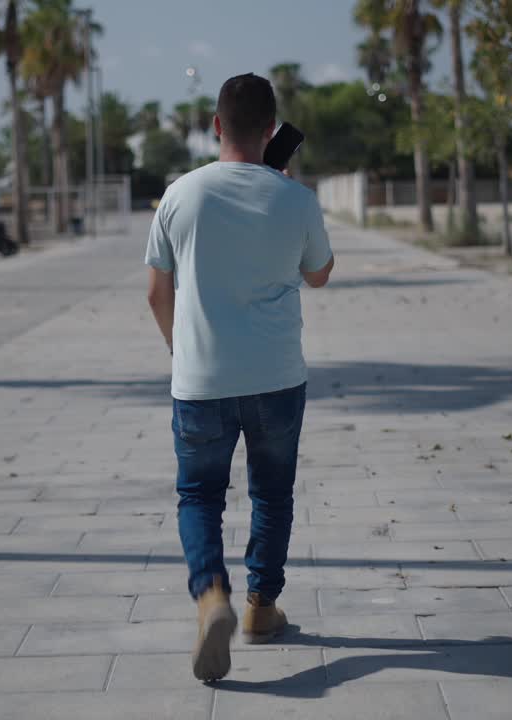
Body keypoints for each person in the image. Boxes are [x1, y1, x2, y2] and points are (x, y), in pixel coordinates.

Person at [144, 72, 334, 682]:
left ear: (217, 125)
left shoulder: (181, 194)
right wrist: (287, 194)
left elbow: (155, 293)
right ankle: (260, 608)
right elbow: (320, 274)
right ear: (273, 131)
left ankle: (210, 596)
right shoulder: (295, 198)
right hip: (277, 376)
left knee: (199, 495)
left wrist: (183, 351)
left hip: (201, 380)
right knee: (271, 494)